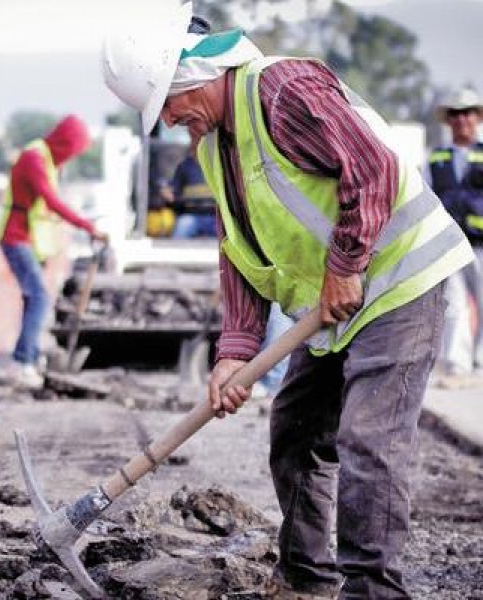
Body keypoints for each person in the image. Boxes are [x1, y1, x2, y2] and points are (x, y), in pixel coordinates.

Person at [102, 4, 474, 598]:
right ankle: (305, 579)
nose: (170, 122)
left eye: (167, 106)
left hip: (399, 283)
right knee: (297, 429)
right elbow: (240, 251)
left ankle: (373, 590)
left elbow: (373, 169)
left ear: (189, 78)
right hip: (336, 305)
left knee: (367, 442)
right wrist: (236, 350)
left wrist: (346, 266)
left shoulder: (282, 88)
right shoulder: (213, 146)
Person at [0, 115, 107, 388]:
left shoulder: (44, 158)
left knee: (32, 298)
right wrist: (87, 226)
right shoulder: (34, 159)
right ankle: (22, 362)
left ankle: (28, 359)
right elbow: (51, 201)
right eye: (73, 150)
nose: (70, 157)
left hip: (29, 240)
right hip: (16, 238)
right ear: (65, 143)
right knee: (39, 298)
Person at [426, 88, 483, 374]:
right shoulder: (435, 159)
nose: (462, 119)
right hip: (451, 243)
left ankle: (480, 358)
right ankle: (458, 363)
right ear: (449, 120)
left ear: (477, 117)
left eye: (467, 113)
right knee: (456, 304)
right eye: (456, 114)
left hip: (482, 243)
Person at [160, 141, 218, 238]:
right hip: (192, 216)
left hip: (215, 217)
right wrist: (169, 195)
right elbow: (174, 194)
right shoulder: (184, 167)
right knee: (182, 228)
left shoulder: (218, 165)